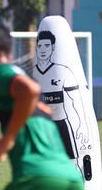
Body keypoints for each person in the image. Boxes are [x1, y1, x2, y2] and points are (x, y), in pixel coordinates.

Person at [0, 23, 83, 190]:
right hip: (71, 178)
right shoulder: (21, 77)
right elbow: (31, 136)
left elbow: (31, 90)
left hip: (36, 177)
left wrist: (7, 139)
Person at [34, 30, 90, 167]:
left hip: (62, 124)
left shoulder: (64, 71)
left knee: (72, 163)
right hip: (42, 126)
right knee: (43, 165)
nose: (43, 50)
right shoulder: (31, 74)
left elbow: (75, 101)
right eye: (40, 46)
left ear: (53, 47)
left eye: (46, 46)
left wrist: (80, 127)